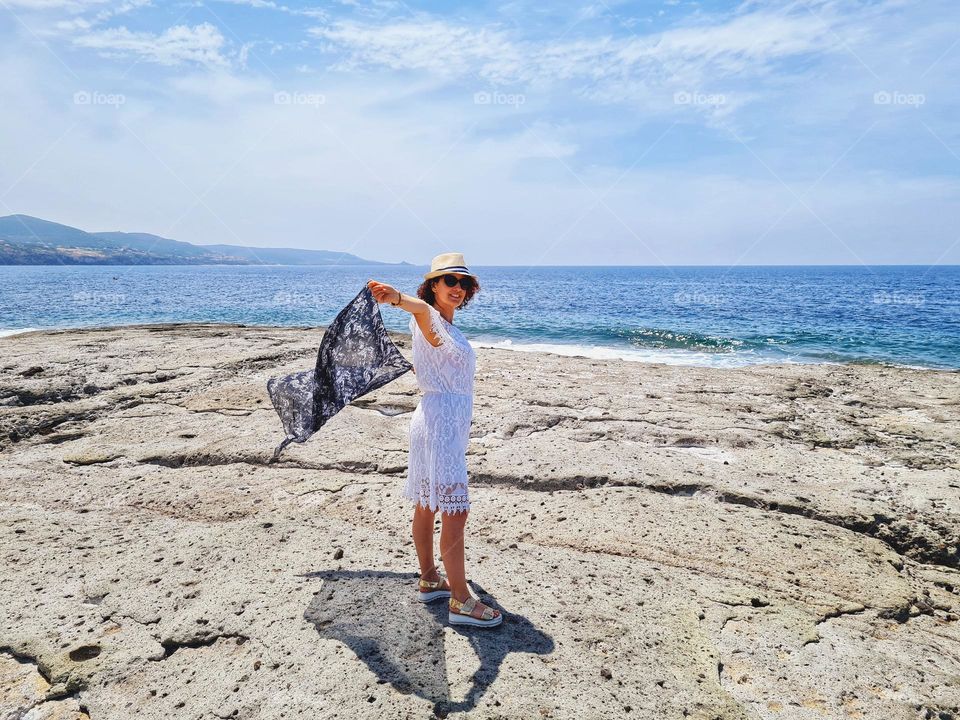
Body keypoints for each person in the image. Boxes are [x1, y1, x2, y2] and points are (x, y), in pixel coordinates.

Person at [367, 252, 502, 628]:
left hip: (438, 421)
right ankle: (460, 600)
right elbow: (419, 311)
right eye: (449, 281)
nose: (457, 289)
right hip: (440, 423)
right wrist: (395, 298)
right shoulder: (429, 320)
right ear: (433, 286)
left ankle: (430, 578)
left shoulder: (448, 326)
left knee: (428, 502)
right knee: (455, 511)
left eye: (464, 283)